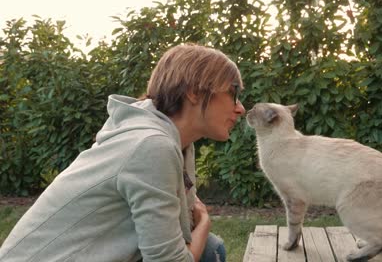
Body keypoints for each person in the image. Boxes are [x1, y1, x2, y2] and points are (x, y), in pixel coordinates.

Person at [0, 44, 246, 262]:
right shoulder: (151, 145)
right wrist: (204, 224)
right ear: (194, 92)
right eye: (233, 94)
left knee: (209, 250)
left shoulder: (172, 141)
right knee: (209, 248)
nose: (240, 109)